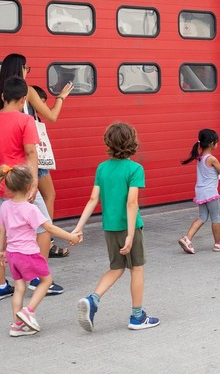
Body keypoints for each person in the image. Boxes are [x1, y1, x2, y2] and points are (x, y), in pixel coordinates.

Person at [0, 77, 63, 300]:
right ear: (24, 99)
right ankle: (38, 279)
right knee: (43, 228)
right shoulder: (25, 121)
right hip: (20, 185)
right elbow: (30, 153)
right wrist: (34, 182)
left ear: (4, 97)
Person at [0, 53, 74, 292]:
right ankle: (42, 257)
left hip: (5, 163)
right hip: (30, 157)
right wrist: (61, 98)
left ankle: (0, 284)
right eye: (27, 67)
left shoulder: (0, 94)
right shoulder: (27, 90)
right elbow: (52, 116)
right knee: (47, 205)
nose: (29, 70)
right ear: (21, 68)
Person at [74, 123, 160, 331]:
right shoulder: (135, 169)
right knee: (137, 269)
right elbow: (132, 203)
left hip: (110, 227)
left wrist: (78, 227)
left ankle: (93, 299)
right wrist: (131, 235)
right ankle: (137, 317)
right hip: (129, 228)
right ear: (133, 142)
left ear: (108, 142)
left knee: (117, 267)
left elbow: (93, 199)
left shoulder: (102, 168)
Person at [0, 164, 80, 336]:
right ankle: (28, 311)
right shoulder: (31, 209)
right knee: (46, 281)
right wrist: (71, 237)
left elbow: (1, 231)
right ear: (30, 187)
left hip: (13, 254)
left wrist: (1, 251)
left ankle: (16, 326)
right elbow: (49, 229)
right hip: (28, 254)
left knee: (19, 287)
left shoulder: (5, 206)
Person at [28, 85, 69, 258]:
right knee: (48, 196)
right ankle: (46, 241)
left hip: (26, 158)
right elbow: (52, 115)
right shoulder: (28, 96)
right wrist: (60, 98)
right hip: (34, 158)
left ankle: (40, 239)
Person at [178, 129, 220, 254]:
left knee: (202, 217)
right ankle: (218, 244)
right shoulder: (212, 159)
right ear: (212, 144)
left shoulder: (200, 157)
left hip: (200, 192)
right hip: (211, 193)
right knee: (215, 217)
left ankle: (187, 238)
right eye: (217, 142)